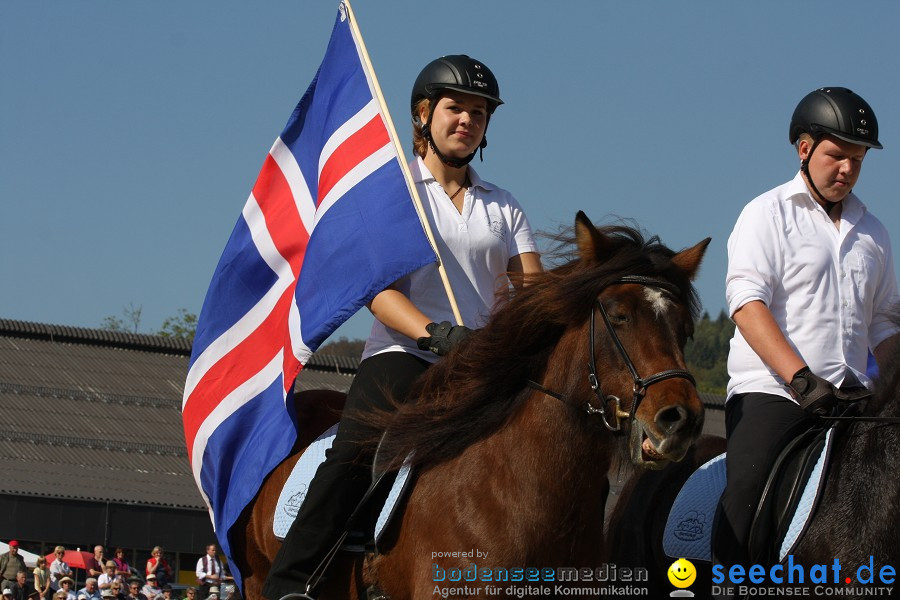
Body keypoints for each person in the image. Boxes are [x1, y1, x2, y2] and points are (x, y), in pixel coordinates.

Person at [263, 54, 542, 600]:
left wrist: (513, 341)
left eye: (480, 113)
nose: (468, 120)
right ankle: (289, 582)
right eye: (456, 108)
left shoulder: (504, 206)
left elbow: (529, 291)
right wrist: (437, 335)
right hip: (405, 352)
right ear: (423, 114)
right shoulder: (397, 193)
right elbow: (377, 291)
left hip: (483, 362)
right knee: (357, 449)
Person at [715, 87, 900, 575]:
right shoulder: (766, 213)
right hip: (775, 393)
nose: (847, 170)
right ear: (804, 148)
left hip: (851, 399)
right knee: (747, 495)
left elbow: (883, 322)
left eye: (857, 160)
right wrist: (801, 380)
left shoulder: (874, 233)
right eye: (837, 156)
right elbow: (747, 304)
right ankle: (728, 579)